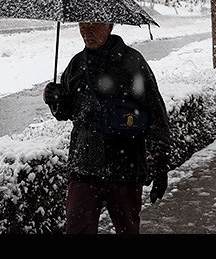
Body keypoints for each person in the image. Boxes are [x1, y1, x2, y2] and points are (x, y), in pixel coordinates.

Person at [42, 21, 171, 234]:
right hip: (84, 165)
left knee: (127, 229)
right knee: (77, 229)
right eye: (82, 26)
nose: (87, 32)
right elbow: (66, 112)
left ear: (110, 26)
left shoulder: (132, 61)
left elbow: (155, 112)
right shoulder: (76, 64)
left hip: (124, 166)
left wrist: (161, 164)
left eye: (94, 25)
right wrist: (55, 99)